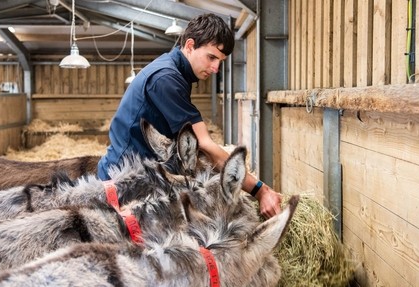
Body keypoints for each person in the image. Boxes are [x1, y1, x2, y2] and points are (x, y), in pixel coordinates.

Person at [97, 13, 282, 218]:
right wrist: (260, 190)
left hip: (142, 173)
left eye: (220, 61)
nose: (215, 68)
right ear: (190, 45)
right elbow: (205, 145)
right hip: (125, 182)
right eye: (211, 57)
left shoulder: (176, 72)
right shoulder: (167, 79)